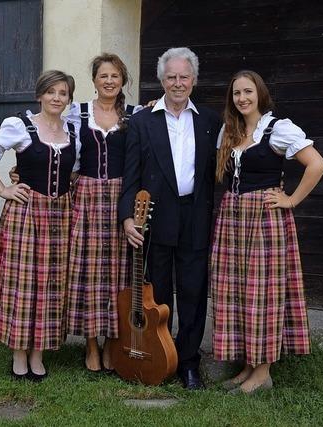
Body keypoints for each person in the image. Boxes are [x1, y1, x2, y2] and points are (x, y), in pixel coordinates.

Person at [10, 53, 144, 373]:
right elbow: (62, 152)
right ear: (94, 81)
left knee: (119, 273)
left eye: (115, 75)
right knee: (86, 272)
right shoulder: (77, 114)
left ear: (123, 80)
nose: (109, 81)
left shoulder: (137, 115)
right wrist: (24, 171)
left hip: (121, 198)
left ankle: (113, 342)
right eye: (102, 76)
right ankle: (91, 345)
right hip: (85, 195)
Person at [211, 70, 323, 394]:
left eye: (248, 92)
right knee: (237, 292)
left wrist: (291, 200)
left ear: (259, 94)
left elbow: (317, 164)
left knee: (262, 294)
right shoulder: (229, 131)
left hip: (264, 221)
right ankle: (248, 365)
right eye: (236, 94)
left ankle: (262, 374)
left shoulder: (278, 129)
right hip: (233, 220)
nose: (242, 98)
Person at [118, 47, 222, 389]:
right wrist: (127, 218)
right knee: (159, 293)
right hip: (155, 217)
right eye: (171, 77)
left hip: (196, 214)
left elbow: (222, 169)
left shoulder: (210, 121)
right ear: (161, 80)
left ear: (193, 80)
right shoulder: (142, 121)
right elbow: (130, 175)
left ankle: (188, 362)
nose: (178, 83)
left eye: (184, 76)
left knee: (193, 290)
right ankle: (161, 354)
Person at [0, 70, 77, 381]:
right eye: (51, 92)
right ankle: (19, 354)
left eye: (63, 93)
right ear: (40, 95)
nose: (57, 98)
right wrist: (3, 190)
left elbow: (71, 172)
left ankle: (38, 353)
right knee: (22, 283)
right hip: (26, 213)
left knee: (51, 284)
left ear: (69, 99)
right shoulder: (20, 126)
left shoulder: (71, 130)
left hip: (60, 214)